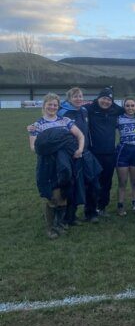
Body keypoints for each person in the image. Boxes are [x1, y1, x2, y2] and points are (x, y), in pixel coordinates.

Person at [28, 93, 85, 239]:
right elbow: (34, 147)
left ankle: (60, 223)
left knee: (64, 192)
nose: (52, 107)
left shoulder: (65, 121)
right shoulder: (37, 125)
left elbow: (80, 136)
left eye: (55, 105)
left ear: (58, 106)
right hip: (48, 165)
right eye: (50, 104)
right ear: (44, 105)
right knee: (52, 196)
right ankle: (50, 227)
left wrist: (79, 149)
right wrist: (52, 146)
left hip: (65, 162)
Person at [58, 87, 99, 224]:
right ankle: (70, 217)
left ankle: (91, 212)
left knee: (93, 182)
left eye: (80, 96)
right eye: (75, 96)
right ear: (69, 98)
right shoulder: (63, 113)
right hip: (72, 155)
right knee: (73, 186)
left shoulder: (83, 111)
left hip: (86, 152)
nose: (79, 99)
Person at [86, 87, 124, 218]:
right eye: (103, 98)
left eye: (109, 99)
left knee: (106, 182)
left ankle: (102, 207)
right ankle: (90, 211)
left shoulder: (115, 110)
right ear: (98, 98)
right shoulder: (89, 109)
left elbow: (132, 109)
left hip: (109, 153)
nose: (106, 102)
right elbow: (72, 108)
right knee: (93, 182)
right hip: (93, 153)